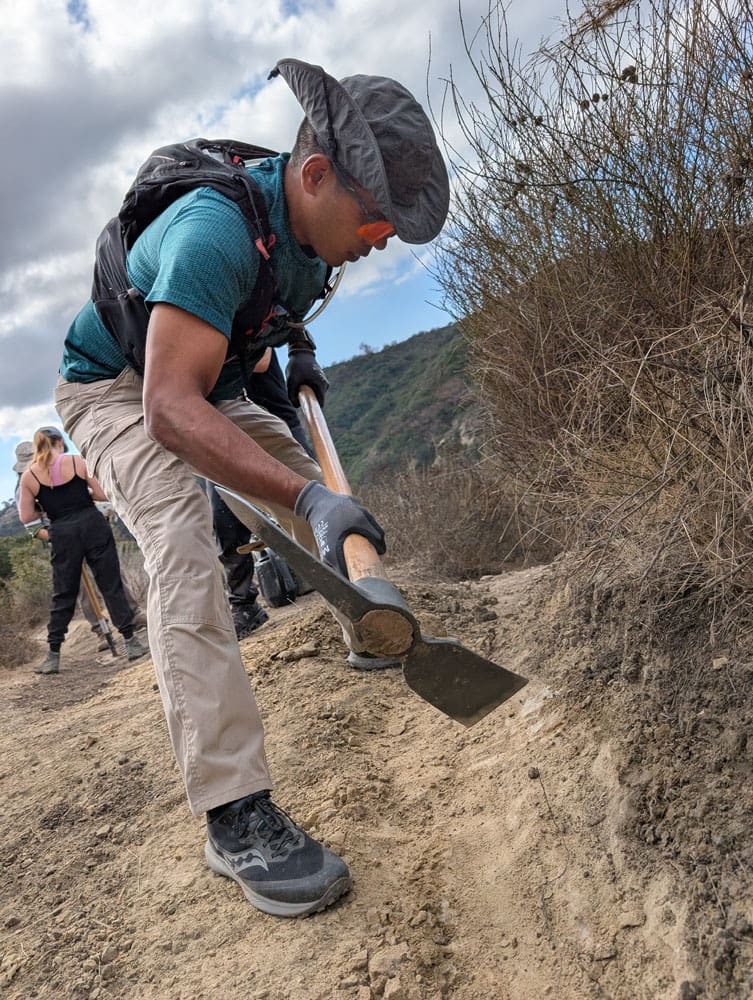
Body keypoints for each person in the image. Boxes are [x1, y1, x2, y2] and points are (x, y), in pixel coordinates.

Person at [55, 58, 449, 918]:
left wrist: (299, 362)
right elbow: (168, 410)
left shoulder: (308, 231)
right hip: (120, 388)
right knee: (184, 546)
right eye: (378, 217)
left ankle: (369, 613)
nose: (384, 237)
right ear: (315, 175)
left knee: (326, 499)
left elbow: (274, 311)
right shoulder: (213, 233)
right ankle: (233, 814)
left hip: (214, 378)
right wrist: (303, 501)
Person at [16, 427, 150, 673]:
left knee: (64, 593)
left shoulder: (29, 477)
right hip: (92, 524)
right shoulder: (77, 462)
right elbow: (102, 493)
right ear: (58, 442)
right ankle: (131, 642)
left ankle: (53, 655)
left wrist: (45, 505)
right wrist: (84, 493)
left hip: (62, 532)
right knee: (110, 585)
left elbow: (26, 517)